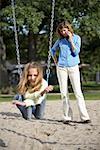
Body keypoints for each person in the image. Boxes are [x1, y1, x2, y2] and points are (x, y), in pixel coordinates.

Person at [51, 20, 91, 123]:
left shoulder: (77, 38)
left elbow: (76, 51)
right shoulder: (60, 41)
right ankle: (67, 117)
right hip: (61, 68)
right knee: (64, 93)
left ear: (69, 29)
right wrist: (56, 62)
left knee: (78, 92)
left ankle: (85, 117)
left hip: (73, 67)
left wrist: (71, 40)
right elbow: (52, 51)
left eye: (64, 30)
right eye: (61, 31)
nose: (63, 32)